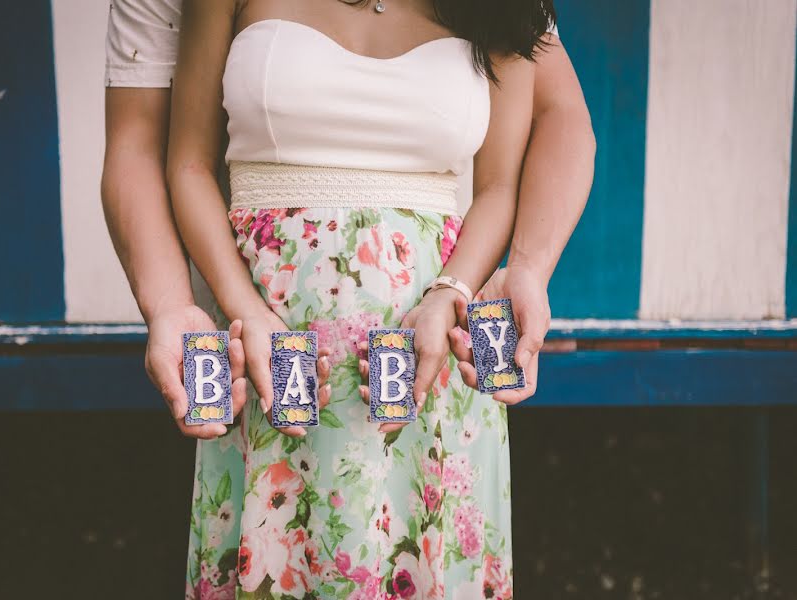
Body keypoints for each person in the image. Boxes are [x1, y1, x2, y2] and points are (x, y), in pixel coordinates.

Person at [102, 1, 593, 597]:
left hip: (431, 351)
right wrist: (239, 308)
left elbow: (510, 174)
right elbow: (179, 160)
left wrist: (460, 288)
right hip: (269, 347)